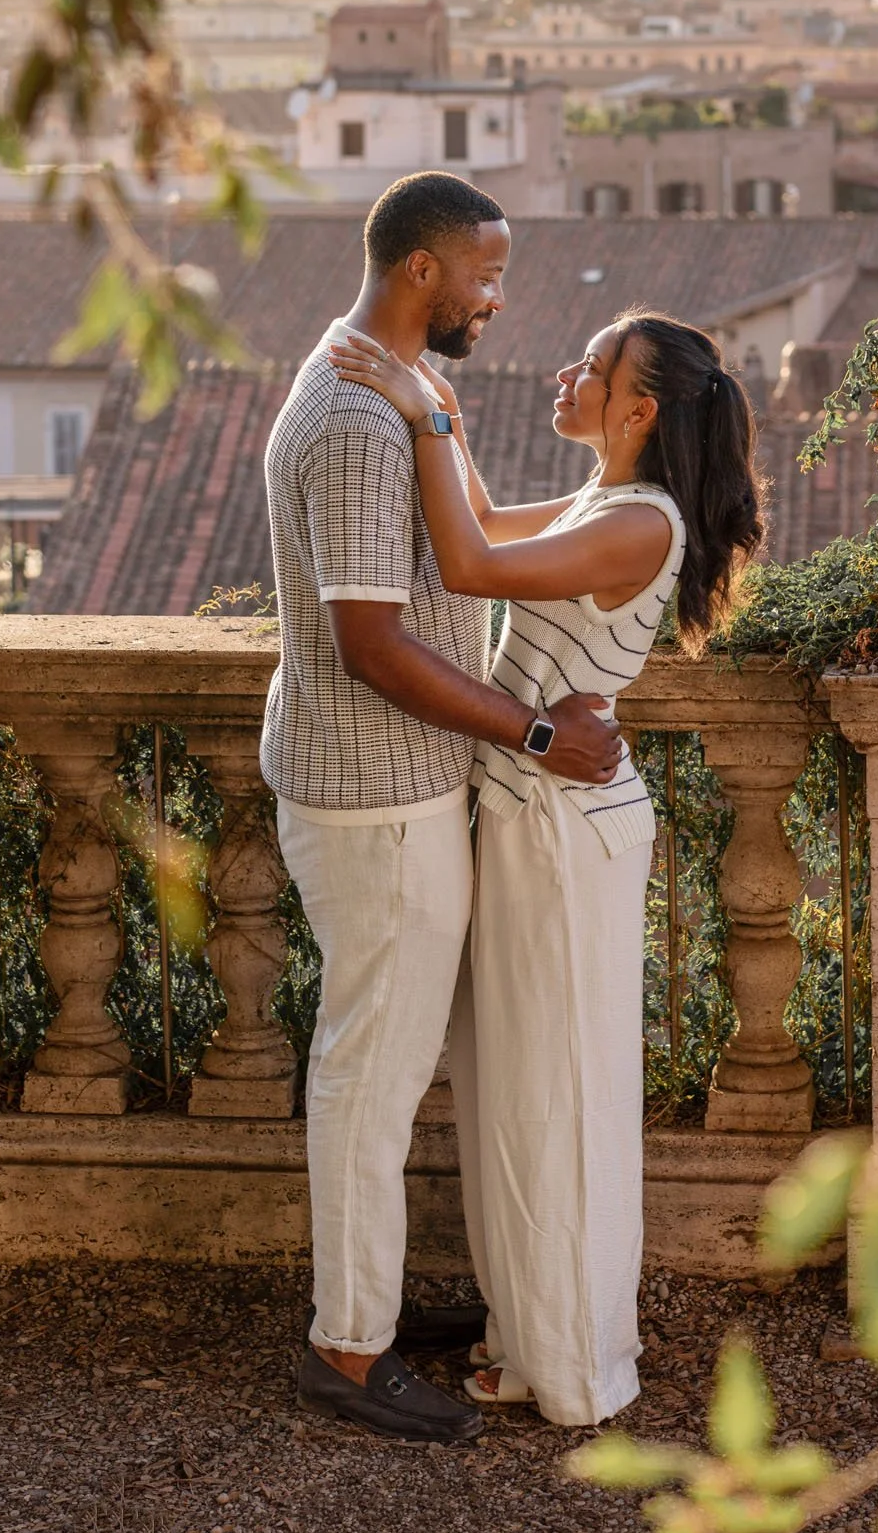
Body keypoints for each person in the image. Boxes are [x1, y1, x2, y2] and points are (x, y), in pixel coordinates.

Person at [327, 306, 765, 1426]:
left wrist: (421, 409)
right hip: (534, 818)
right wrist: (439, 408)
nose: (567, 370)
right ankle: (529, 1338)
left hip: (567, 830)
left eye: (594, 363)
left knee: (556, 1095)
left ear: (637, 409)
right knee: (513, 1089)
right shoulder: (600, 502)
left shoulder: (641, 524)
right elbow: (468, 518)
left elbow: (466, 567)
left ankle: (571, 1366)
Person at [262, 171, 621, 1446]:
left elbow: (459, 543)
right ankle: (346, 1350)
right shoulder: (362, 424)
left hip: (386, 784)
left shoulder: (383, 390)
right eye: (485, 271)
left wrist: (440, 412)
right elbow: (372, 643)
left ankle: (361, 1306)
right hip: (376, 798)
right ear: (421, 271)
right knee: (371, 1074)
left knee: (385, 1064)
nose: (497, 293)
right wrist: (536, 731)